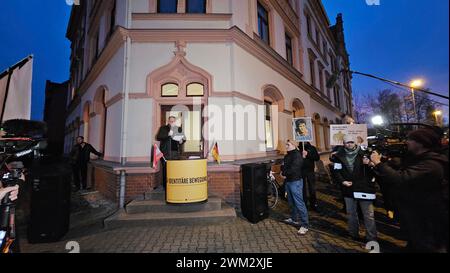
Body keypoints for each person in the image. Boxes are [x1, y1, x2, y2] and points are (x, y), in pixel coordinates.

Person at [370, 128, 449, 252]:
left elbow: (400, 178)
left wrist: (378, 163)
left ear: (421, 143)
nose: (406, 142)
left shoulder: (431, 164)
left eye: (410, 140)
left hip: (427, 218)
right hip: (417, 214)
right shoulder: (420, 159)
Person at [332, 135, 378, 243]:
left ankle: (371, 238)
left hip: (364, 188)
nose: (349, 144)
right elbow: (336, 171)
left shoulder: (365, 153)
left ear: (355, 143)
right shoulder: (339, 155)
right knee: (351, 213)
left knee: (368, 215)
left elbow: (375, 170)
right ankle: (353, 234)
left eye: (351, 142)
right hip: (348, 188)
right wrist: (342, 181)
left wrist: (371, 164)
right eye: (347, 142)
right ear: (343, 143)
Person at [280, 140, 309, 235]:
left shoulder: (297, 155)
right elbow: (283, 166)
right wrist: (282, 171)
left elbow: (294, 168)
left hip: (295, 181)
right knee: (291, 201)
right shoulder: (287, 155)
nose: (286, 146)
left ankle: (305, 225)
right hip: (288, 181)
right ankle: (294, 219)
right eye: (286, 144)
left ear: (294, 145)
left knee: (299, 202)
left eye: (288, 144)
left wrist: (284, 173)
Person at [156, 116, 186, 189]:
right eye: (170, 121)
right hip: (166, 152)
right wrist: (167, 134)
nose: (172, 122)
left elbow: (184, 138)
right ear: (168, 121)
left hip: (176, 152)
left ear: (175, 121)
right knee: (166, 169)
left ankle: (174, 186)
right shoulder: (163, 128)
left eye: (173, 121)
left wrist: (181, 141)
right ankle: (166, 186)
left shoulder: (178, 128)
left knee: (175, 169)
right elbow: (158, 137)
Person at [298, 142, 320, 211]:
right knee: (302, 188)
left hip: (310, 170)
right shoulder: (298, 148)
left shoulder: (312, 148)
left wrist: (308, 154)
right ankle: (304, 204)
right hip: (301, 171)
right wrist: (301, 156)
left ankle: (313, 204)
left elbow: (317, 158)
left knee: (312, 188)